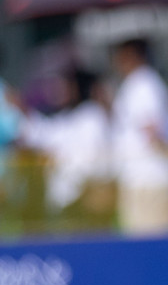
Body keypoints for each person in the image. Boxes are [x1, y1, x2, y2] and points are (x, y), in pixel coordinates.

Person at [15, 67, 112, 217]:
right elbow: (43, 134)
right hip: (64, 201)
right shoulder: (66, 117)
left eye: (66, 86)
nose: (59, 91)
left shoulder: (92, 117)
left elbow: (92, 159)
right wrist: (23, 111)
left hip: (85, 198)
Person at [110, 38, 168, 236]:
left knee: (150, 242)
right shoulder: (136, 84)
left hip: (148, 178)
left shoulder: (144, 84)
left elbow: (153, 130)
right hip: (139, 177)